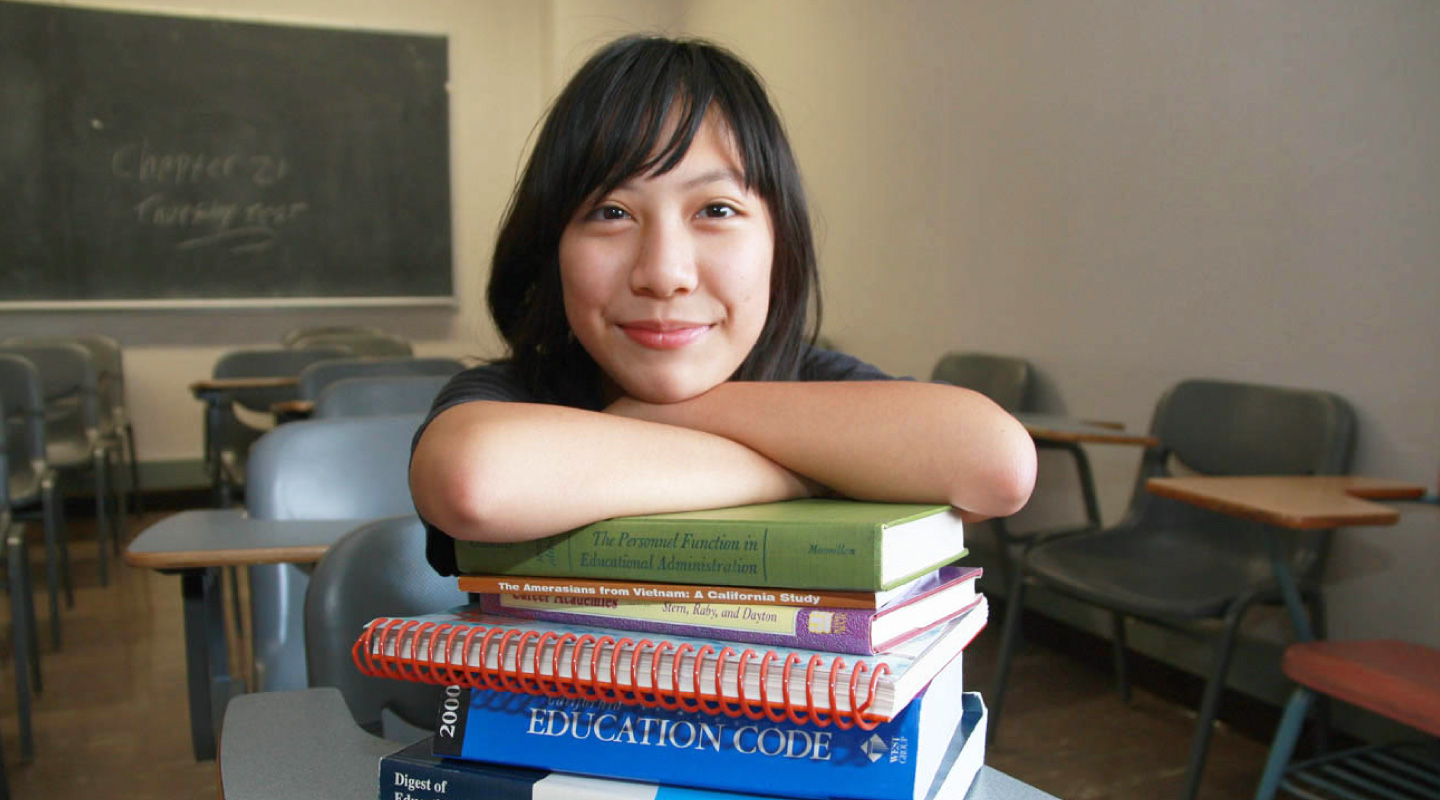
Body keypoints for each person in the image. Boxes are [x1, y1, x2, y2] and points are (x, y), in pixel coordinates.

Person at [411, 35, 1036, 575]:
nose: (664, 273)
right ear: (552, 248)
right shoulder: (512, 394)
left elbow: (997, 465)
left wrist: (661, 418)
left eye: (716, 210)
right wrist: (806, 471)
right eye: (611, 212)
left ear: (778, 244)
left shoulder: (810, 381)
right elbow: (474, 480)